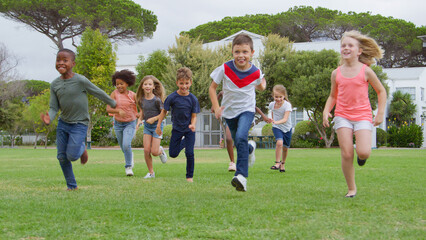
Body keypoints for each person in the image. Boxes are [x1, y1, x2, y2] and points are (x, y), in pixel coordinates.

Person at [40, 48, 116, 191]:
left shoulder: (80, 80)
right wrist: (49, 118)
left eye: (65, 60)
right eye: (58, 60)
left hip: (79, 123)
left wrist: (113, 104)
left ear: (73, 63)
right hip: (63, 123)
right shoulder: (54, 84)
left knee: (72, 156)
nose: (60, 63)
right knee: (62, 157)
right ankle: (72, 186)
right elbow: (54, 107)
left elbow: (97, 92)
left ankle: (81, 149)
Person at [323, 30, 387, 198]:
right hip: (342, 115)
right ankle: (351, 189)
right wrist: (325, 111)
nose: (346, 48)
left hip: (363, 116)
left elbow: (381, 91)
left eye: (350, 45)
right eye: (343, 45)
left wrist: (380, 113)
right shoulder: (336, 73)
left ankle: (362, 157)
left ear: (359, 51)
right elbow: (333, 96)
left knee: (364, 152)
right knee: (346, 153)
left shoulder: (366, 71)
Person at [209, 33, 266, 192]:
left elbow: (261, 86)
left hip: (247, 110)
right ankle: (250, 149)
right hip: (229, 112)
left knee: (241, 137)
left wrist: (262, 83)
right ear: (232, 52)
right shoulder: (225, 68)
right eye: (237, 52)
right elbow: (212, 88)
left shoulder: (255, 72)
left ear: (252, 53)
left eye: (245, 52)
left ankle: (241, 176)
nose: (241, 55)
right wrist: (216, 106)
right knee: (238, 141)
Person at [156, 67, 200, 182]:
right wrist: (158, 125)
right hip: (177, 129)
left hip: (189, 129)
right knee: (173, 154)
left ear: (190, 82)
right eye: (181, 83)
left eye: (186, 83)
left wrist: (193, 125)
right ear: (177, 83)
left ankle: (189, 176)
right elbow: (163, 112)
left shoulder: (193, 99)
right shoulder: (171, 97)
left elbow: (194, 116)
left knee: (190, 153)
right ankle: (184, 142)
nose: (184, 86)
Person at [214, 91, 269, 172]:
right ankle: (232, 162)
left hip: (242, 119)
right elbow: (219, 94)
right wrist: (215, 107)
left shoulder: (242, 91)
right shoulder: (225, 91)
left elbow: (254, 107)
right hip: (231, 118)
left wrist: (263, 116)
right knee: (228, 139)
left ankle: (250, 148)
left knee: (239, 141)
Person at [106, 69, 139, 177]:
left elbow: (141, 107)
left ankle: (128, 167)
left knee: (126, 145)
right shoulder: (114, 94)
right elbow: (108, 109)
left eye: (121, 84)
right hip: (118, 124)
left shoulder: (133, 95)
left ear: (127, 83)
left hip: (130, 123)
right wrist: (118, 111)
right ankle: (130, 156)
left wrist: (139, 115)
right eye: (117, 84)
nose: (119, 86)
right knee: (123, 147)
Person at [136, 75, 168, 179]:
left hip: (157, 127)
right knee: (146, 150)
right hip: (147, 127)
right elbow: (142, 111)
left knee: (154, 152)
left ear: (154, 87)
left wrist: (154, 119)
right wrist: (139, 120)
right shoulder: (141, 100)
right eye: (145, 84)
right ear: (142, 86)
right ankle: (151, 173)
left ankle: (161, 151)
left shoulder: (157, 100)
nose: (147, 86)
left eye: (150, 84)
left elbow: (164, 113)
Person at [268, 85, 292, 173]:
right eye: (276, 97)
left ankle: (283, 164)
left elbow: (285, 119)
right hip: (277, 127)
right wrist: (272, 121)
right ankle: (277, 163)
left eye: (280, 97)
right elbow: (272, 112)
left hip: (287, 128)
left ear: (284, 96)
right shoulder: (271, 105)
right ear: (273, 96)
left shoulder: (287, 105)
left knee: (285, 148)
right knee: (279, 143)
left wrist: (275, 122)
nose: (278, 99)